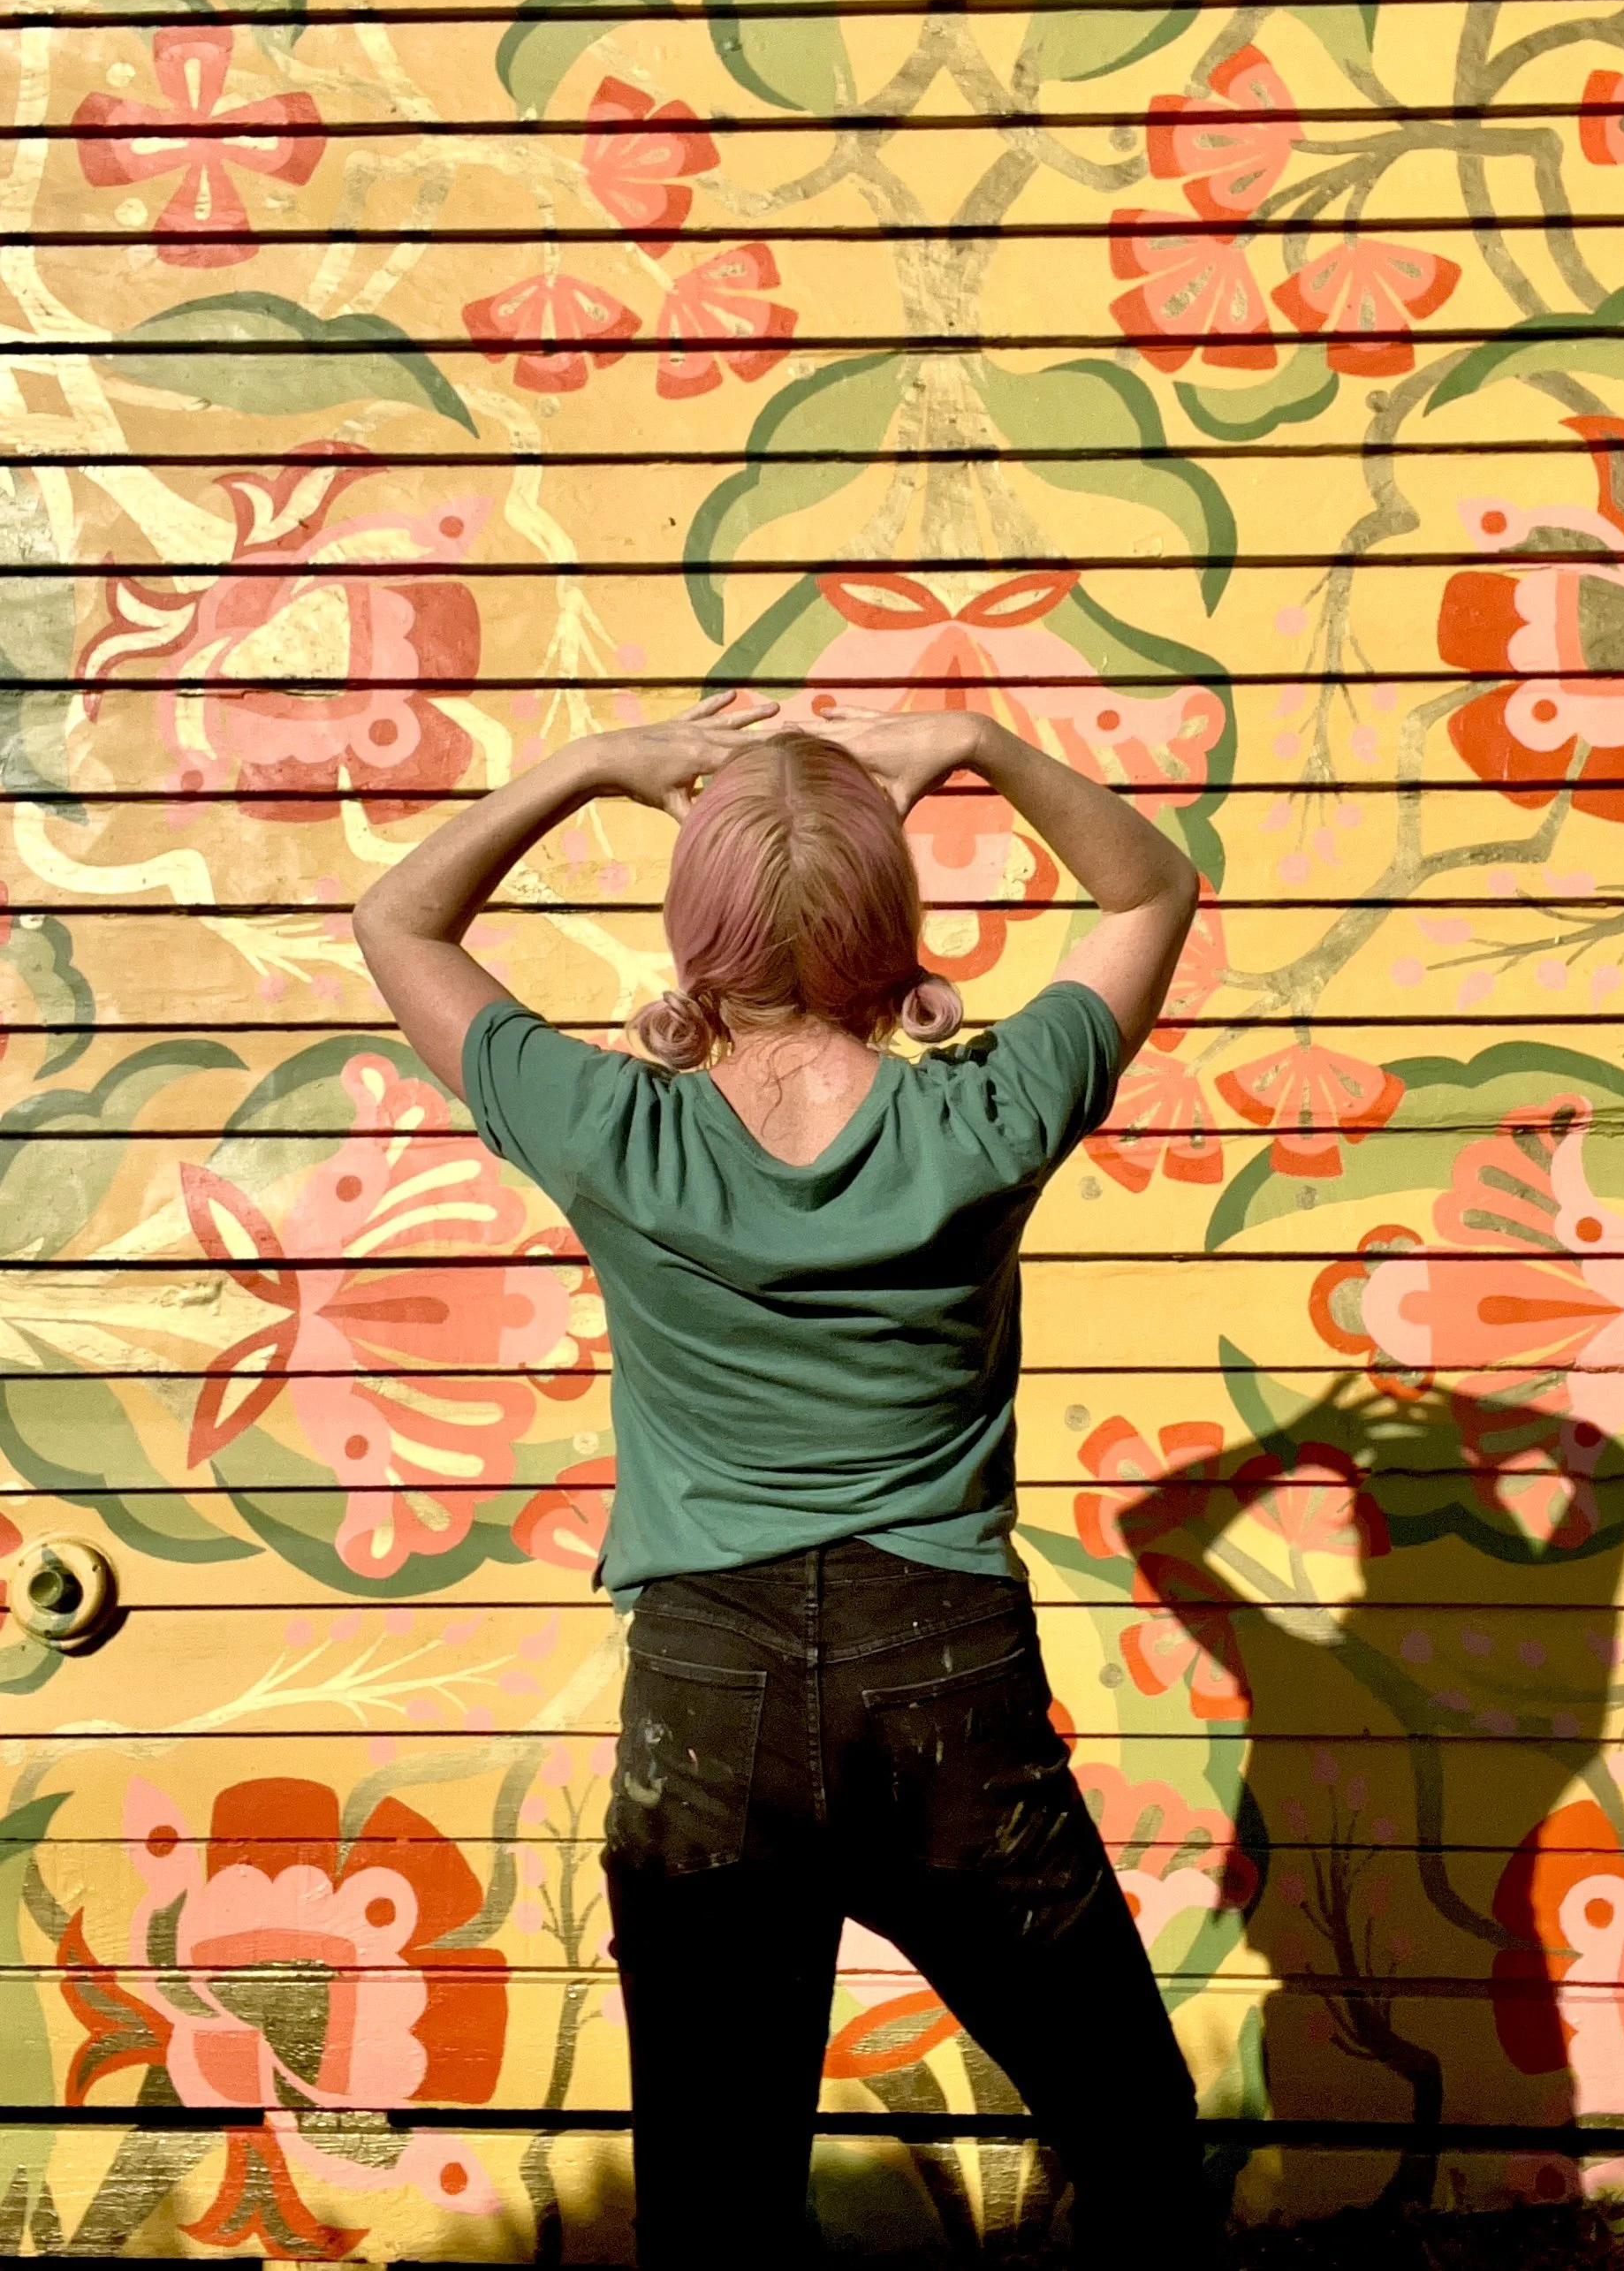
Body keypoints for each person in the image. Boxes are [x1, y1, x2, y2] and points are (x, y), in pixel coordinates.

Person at [353, 695, 1209, 2267]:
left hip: (708, 1696)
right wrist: (981, 746)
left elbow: (396, 912)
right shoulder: (989, 1108)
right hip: (949, 1683)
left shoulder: (610, 1122)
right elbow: (1153, 887)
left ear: (698, 934)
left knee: (719, 2210)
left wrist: (597, 763)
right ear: (895, 931)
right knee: (1140, 2148)